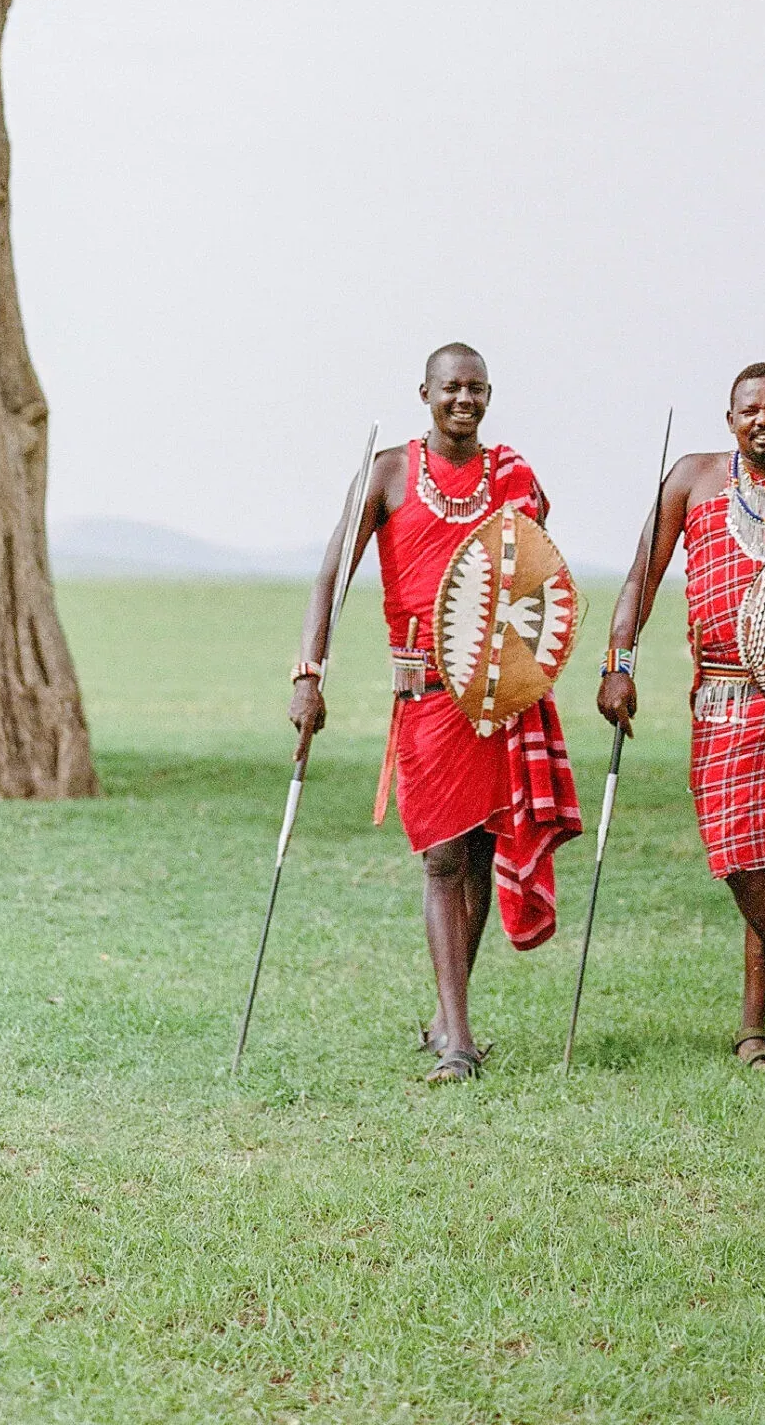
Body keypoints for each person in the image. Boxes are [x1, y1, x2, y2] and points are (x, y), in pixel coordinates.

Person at [290, 343, 579, 1082]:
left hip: (495, 695)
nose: (464, 400)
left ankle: (451, 1021)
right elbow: (332, 574)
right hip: (422, 696)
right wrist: (307, 673)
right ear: (424, 392)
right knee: (443, 856)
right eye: (451, 388)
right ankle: (456, 1038)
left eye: (476, 389)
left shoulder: (513, 477)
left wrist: (524, 666)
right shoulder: (388, 472)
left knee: (480, 852)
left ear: (489, 395)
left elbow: (540, 579)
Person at [597, 363, 765, 1065]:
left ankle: (757, 1026)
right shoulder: (691, 478)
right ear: (730, 420)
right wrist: (617, 666)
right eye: (749, 410)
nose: (762, 420)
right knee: (738, 855)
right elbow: (638, 579)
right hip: (721, 700)